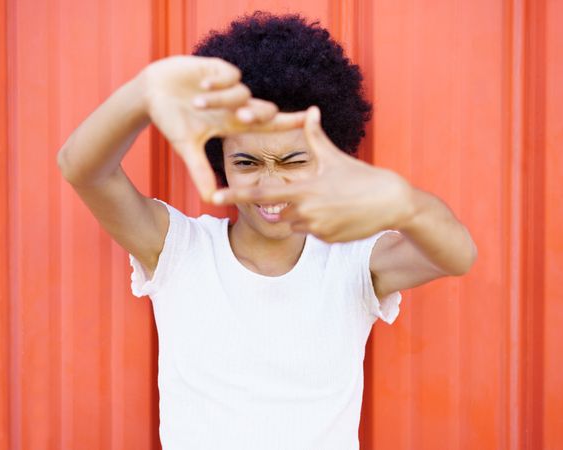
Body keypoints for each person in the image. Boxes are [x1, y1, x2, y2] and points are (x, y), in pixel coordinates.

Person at [57, 11, 476, 450]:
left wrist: (406, 202)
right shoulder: (178, 251)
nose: (270, 185)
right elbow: (81, 168)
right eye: (247, 163)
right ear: (218, 158)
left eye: (293, 162)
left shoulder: (353, 262)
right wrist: (145, 92)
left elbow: (457, 254)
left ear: (328, 154)